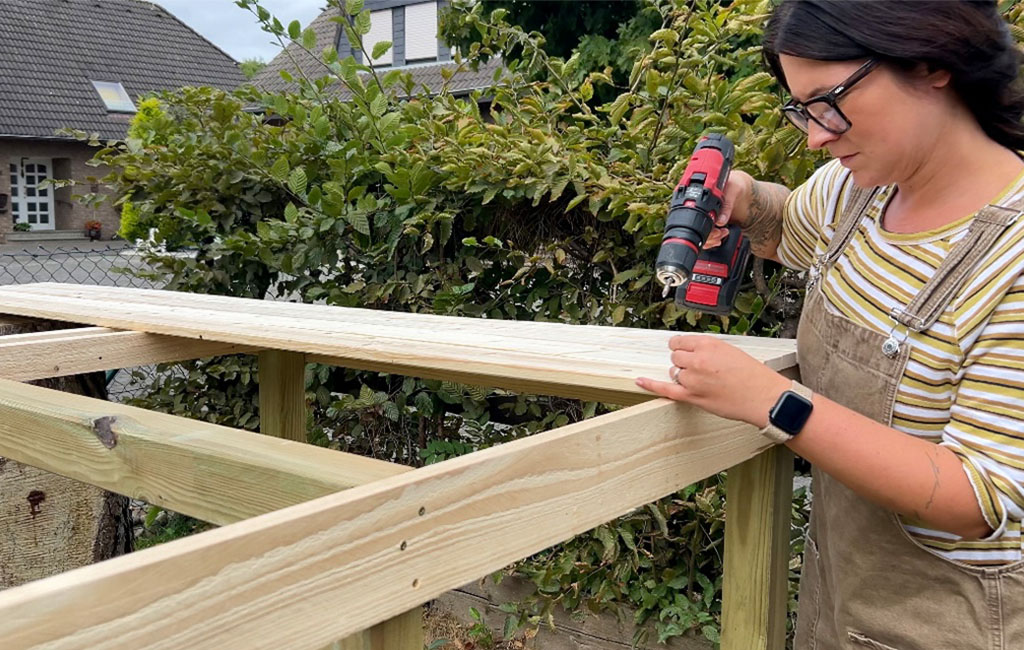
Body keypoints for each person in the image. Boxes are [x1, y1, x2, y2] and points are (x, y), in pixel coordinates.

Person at [635, 1, 1024, 648]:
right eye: (802, 110)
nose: (816, 135)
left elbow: (977, 497)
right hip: (838, 604)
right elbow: (791, 226)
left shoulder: (1013, 257)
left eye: (830, 100)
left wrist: (773, 404)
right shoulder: (858, 192)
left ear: (930, 63)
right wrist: (746, 201)